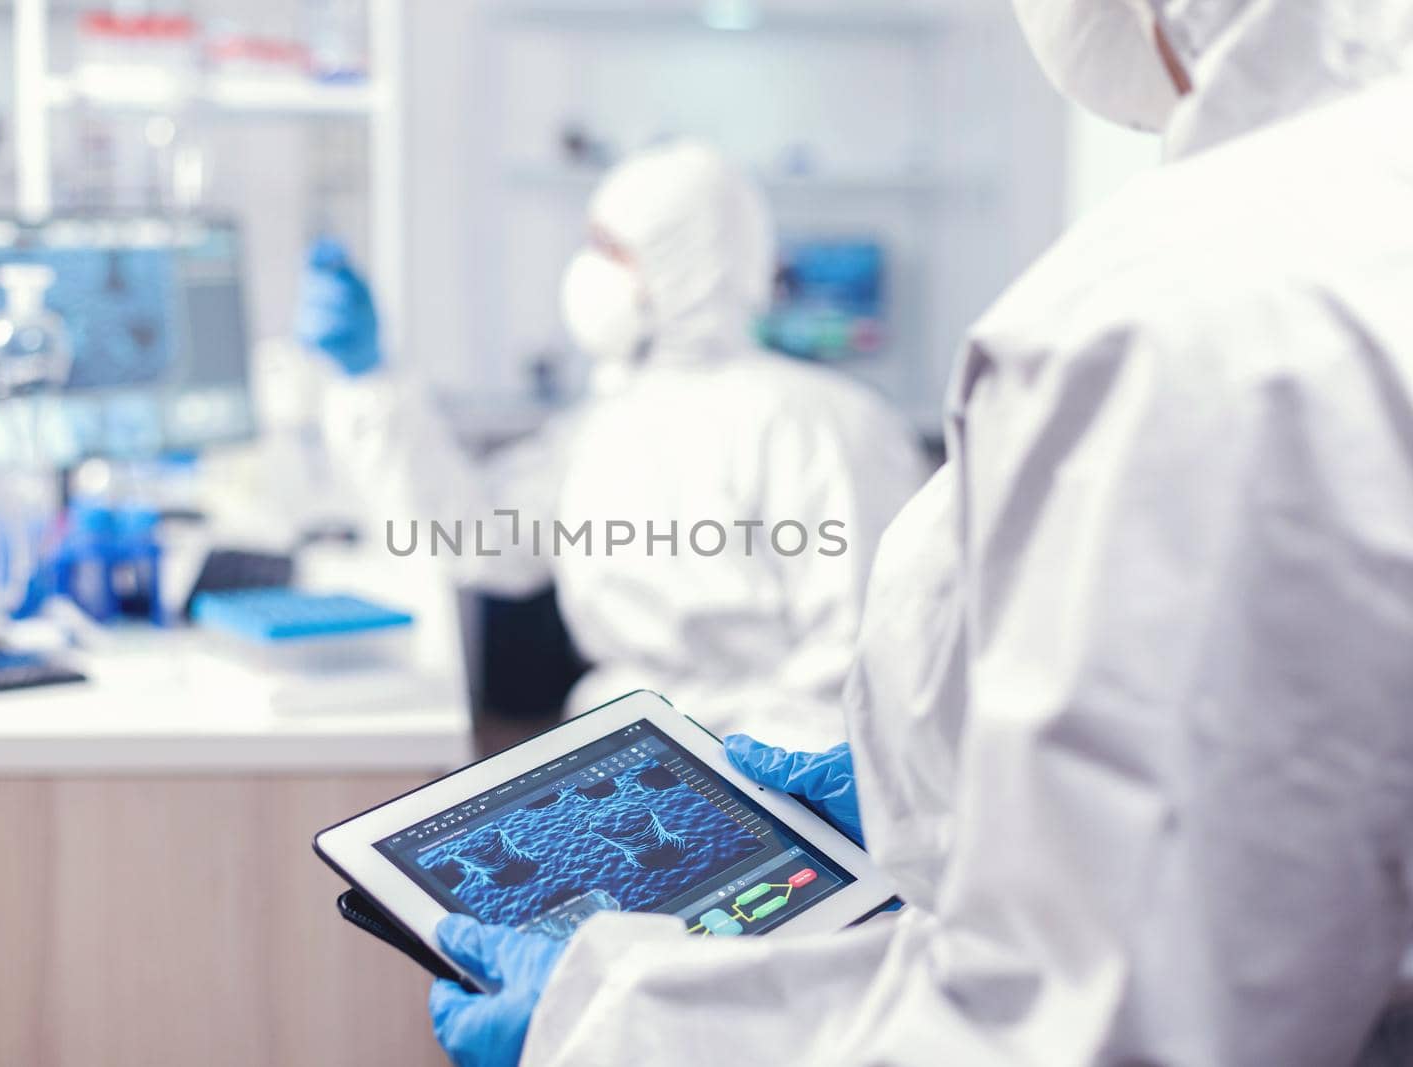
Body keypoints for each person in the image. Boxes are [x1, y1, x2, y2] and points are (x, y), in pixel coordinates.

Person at [421, 0, 1413, 1064]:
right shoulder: (1335, 221)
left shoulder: (1178, 312)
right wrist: (923, 806)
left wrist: (619, 1024)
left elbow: (1092, 1022)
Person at [302, 140, 928, 753]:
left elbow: (862, 671)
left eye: (609, 249)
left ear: (679, 264)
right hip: (623, 750)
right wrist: (369, 384)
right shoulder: (611, 422)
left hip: (772, 770)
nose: (587, 270)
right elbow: (473, 538)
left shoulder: (821, 424)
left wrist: (736, 779)